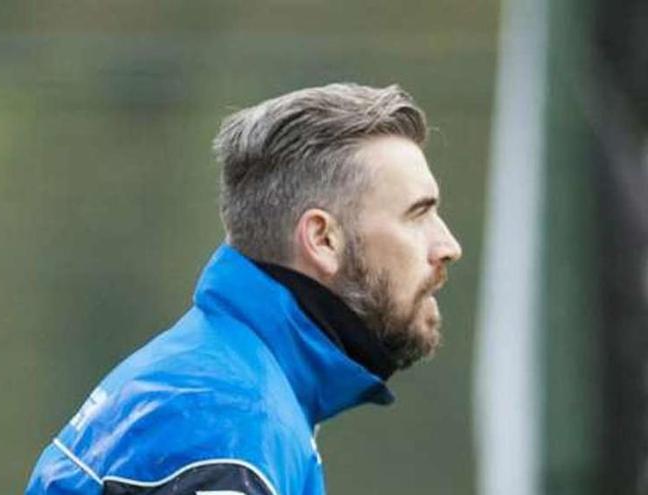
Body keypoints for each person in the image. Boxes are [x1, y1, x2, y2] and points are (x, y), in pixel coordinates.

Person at [25, 82, 462, 495]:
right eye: (417, 214)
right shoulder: (228, 422)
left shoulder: (228, 384)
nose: (448, 246)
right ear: (324, 240)